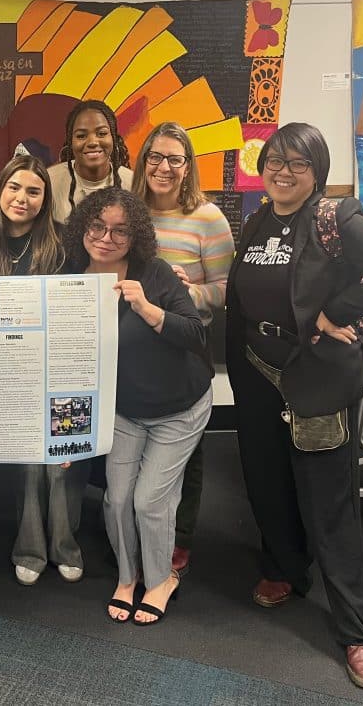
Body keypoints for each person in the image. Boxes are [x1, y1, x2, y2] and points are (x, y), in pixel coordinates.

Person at [225, 122, 363, 690]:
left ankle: (357, 632)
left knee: (327, 497)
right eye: (274, 161)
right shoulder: (259, 217)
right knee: (265, 478)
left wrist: (338, 312)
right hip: (256, 371)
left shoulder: (335, 219)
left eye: (297, 164)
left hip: (313, 375)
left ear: (318, 172)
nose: (282, 172)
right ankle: (286, 567)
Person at [64, 187, 212, 626]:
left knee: (150, 502)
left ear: (136, 237)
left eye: (120, 231)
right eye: (97, 226)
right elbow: (65, 359)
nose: (106, 237)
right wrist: (69, 434)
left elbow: (197, 336)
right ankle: (128, 578)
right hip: (123, 409)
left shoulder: (156, 274)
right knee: (117, 500)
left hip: (179, 408)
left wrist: (148, 309)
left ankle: (162, 578)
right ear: (83, 227)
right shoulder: (70, 277)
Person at [130, 122, 234, 577]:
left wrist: (191, 295)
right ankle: (140, 531)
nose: (164, 167)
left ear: (188, 166)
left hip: (183, 350)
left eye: (175, 159)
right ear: (143, 161)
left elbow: (229, 289)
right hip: (131, 353)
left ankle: (180, 539)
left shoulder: (207, 218)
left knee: (185, 455)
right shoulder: (131, 213)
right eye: (155, 156)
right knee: (133, 451)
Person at [0, 155, 84, 585]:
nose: (22, 198)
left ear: (45, 198)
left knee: (62, 462)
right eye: (14, 188)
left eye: (34, 191)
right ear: (0, 190)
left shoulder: (63, 244)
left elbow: (81, 304)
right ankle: (30, 548)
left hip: (61, 367)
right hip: (9, 374)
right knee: (26, 465)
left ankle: (65, 546)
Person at [48, 100, 133, 223]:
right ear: (70, 141)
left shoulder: (134, 184)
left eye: (102, 133)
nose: (92, 142)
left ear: (113, 138)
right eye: (81, 136)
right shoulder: (50, 182)